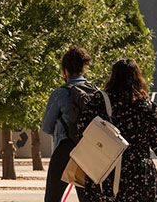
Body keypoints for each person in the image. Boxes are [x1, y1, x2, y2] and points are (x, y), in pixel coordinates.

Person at [73, 59, 157, 202]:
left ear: (113, 77)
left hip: (106, 170)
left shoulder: (100, 100)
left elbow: (81, 128)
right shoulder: (146, 105)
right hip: (139, 172)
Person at [40, 45, 95, 202]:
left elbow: (47, 127)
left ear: (64, 71)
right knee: (88, 198)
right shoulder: (95, 92)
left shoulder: (60, 93)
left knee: (53, 197)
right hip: (89, 151)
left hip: (65, 149)